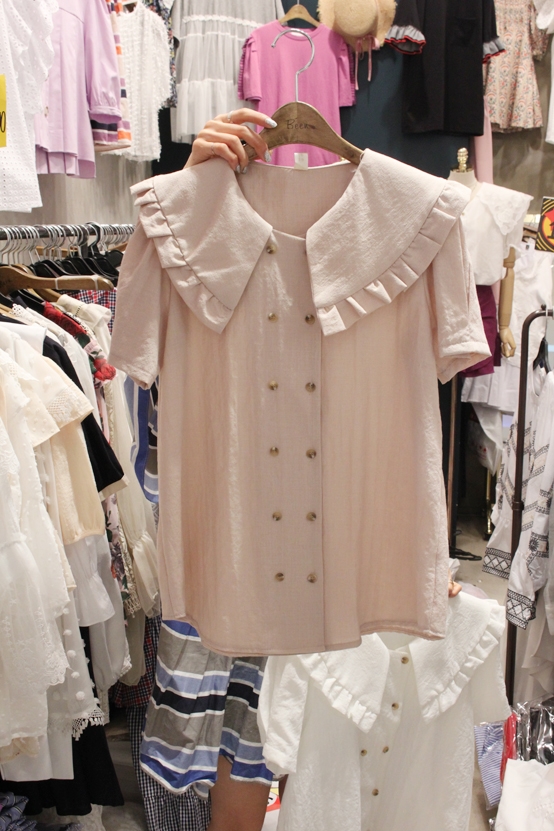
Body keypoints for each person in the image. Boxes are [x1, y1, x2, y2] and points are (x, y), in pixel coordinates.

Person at [180, 108, 463, 831]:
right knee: (235, 743)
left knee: (349, 764)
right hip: (230, 549)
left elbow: (437, 376)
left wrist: (425, 554)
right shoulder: (181, 215)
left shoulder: (425, 217)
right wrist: (191, 195)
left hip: (359, 554)